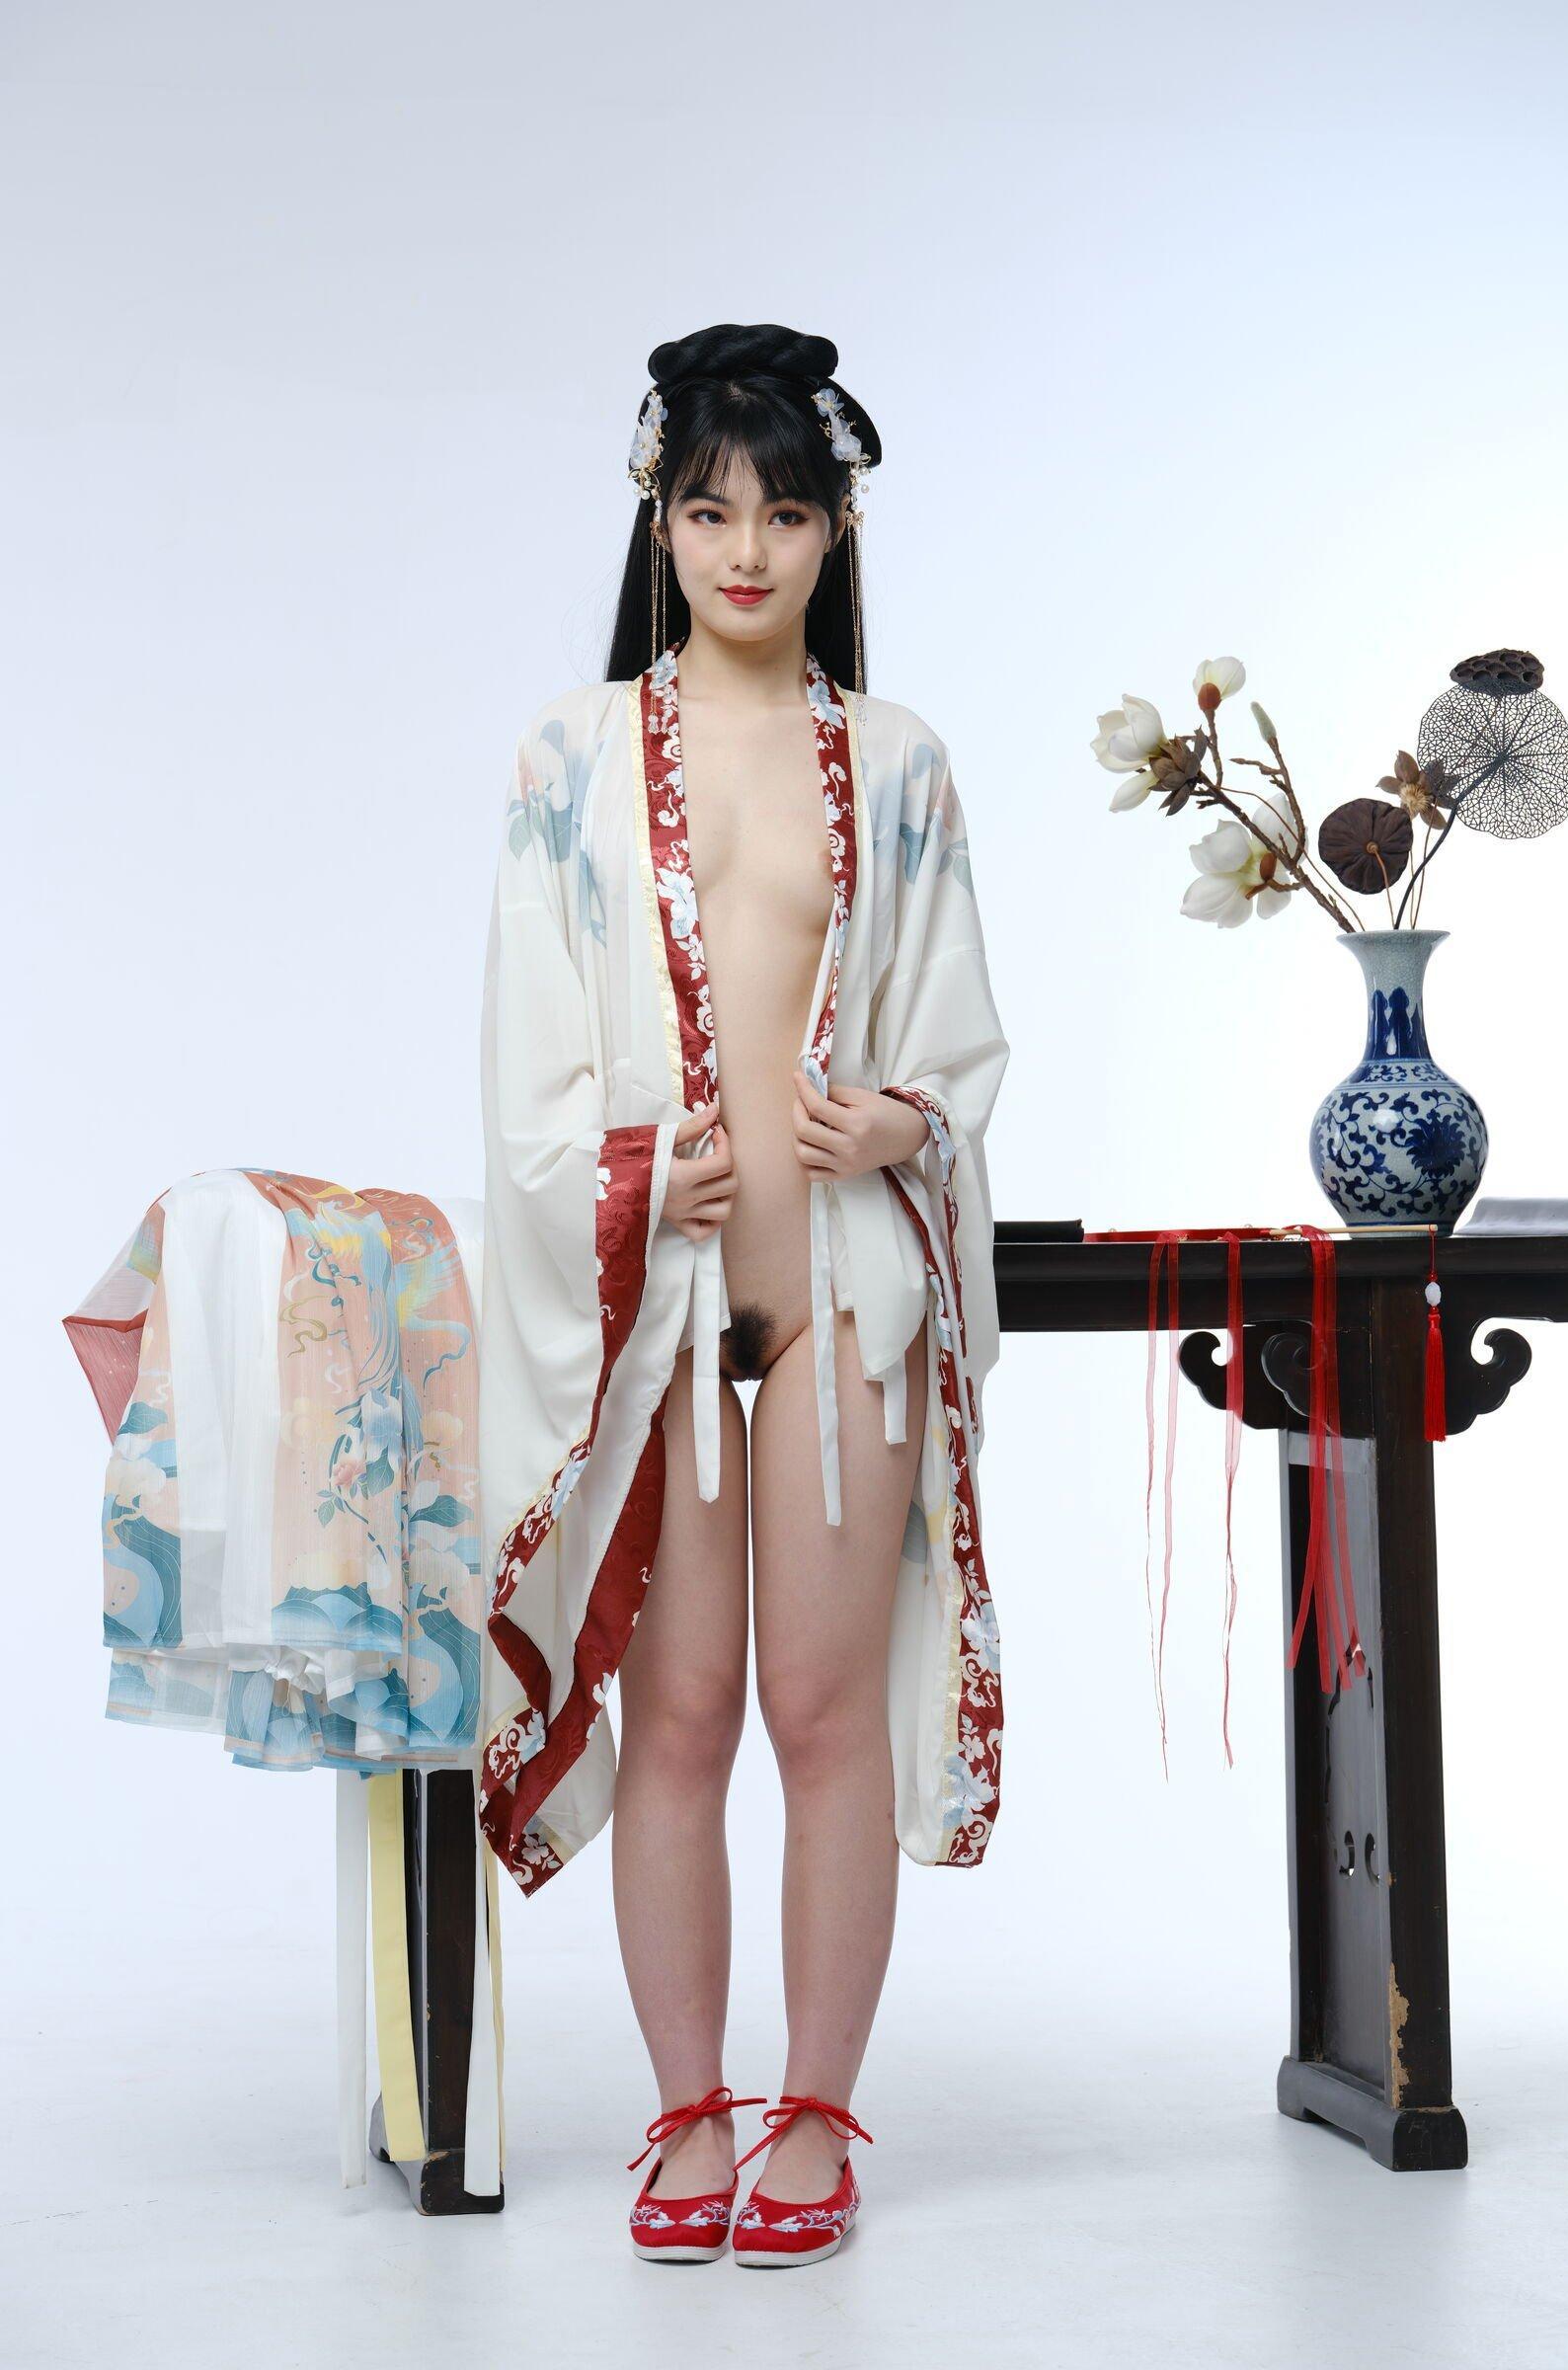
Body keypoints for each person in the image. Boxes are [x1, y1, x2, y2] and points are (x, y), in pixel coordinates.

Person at [475, 322, 1010, 2266]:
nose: (748, 550)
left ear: (837, 526)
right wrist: (631, 1173)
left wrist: (906, 1123)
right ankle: (689, 2110)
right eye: (711, 512)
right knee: (684, 1708)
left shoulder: (903, 760)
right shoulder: (572, 757)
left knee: (821, 1710)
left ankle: (818, 2114)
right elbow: (527, 1058)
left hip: (841, 1296)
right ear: (660, 522)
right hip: (673, 1307)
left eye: (786, 512)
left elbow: (958, 1039)